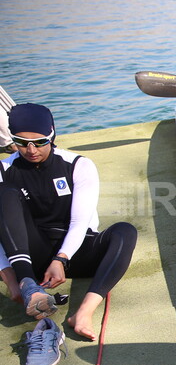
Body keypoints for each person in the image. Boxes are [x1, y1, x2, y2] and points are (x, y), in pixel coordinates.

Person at [0, 103, 138, 342]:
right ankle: (27, 283)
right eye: (21, 142)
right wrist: (12, 280)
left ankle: (84, 312)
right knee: (4, 193)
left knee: (125, 231)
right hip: (28, 254)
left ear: (52, 135)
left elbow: (80, 222)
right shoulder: (4, 169)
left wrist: (61, 258)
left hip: (75, 249)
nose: (31, 150)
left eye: (40, 142)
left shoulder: (78, 165)